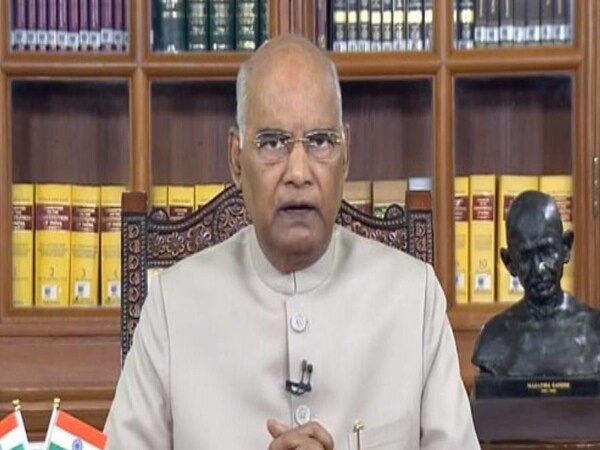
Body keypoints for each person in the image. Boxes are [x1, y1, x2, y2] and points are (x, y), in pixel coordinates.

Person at [104, 34, 479, 449]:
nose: (298, 173)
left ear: (345, 156)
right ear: (236, 160)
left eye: (320, 142)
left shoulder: (413, 299)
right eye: (273, 143)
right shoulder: (173, 307)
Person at [472, 190, 600, 377]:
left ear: (565, 248)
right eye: (525, 257)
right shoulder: (494, 339)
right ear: (509, 263)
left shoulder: (595, 331)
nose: (539, 268)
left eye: (546, 251)